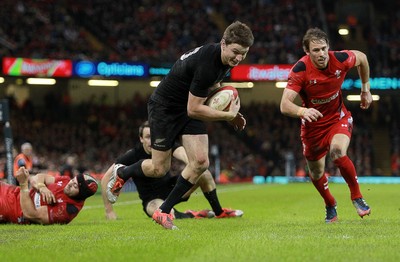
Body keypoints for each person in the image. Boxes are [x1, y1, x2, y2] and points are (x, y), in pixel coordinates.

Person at [108, 21, 253, 229]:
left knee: (201, 162)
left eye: (244, 54)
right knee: (159, 168)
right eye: (236, 52)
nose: (239, 58)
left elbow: (211, 88)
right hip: (165, 109)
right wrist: (228, 116)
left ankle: (163, 211)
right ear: (223, 43)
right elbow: (194, 109)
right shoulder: (207, 63)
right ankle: (122, 172)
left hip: (187, 107)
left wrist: (230, 107)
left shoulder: (224, 61)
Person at [280, 27, 373, 223]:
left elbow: (362, 58)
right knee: (316, 172)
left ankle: (357, 197)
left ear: (328, 47)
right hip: (313, 126)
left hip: (337, 118)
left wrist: (366, 89)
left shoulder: (339, 59)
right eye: (316, 50)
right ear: (307, 51)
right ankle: (330, 204)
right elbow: (284, 104)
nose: (321, 54)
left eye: (323, 48)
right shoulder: (300, 70)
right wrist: (302, 111)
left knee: (338, 151)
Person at [102, 121, 243, 220]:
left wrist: (195, 165)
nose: (152, 141)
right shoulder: (132, 155)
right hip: (152, 199)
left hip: (172, 189)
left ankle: (219, 212)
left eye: (154, 136)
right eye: (148, 137)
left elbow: (184, 155)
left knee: (203, 172)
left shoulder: (165, 146)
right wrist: (109, 211)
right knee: (164, 214)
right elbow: (106, 178)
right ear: (141, 139)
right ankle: (192, 215)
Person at [0, 166, 98, 224]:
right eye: (73, 180)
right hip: (14, 192)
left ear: (80, 195)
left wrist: (23, 184)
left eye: (75, 186)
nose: (70, 183)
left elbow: (30, 214)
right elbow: (38, 177)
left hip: (12, 209)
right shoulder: (66, 180)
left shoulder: (67, 210)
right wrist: (42, 187)